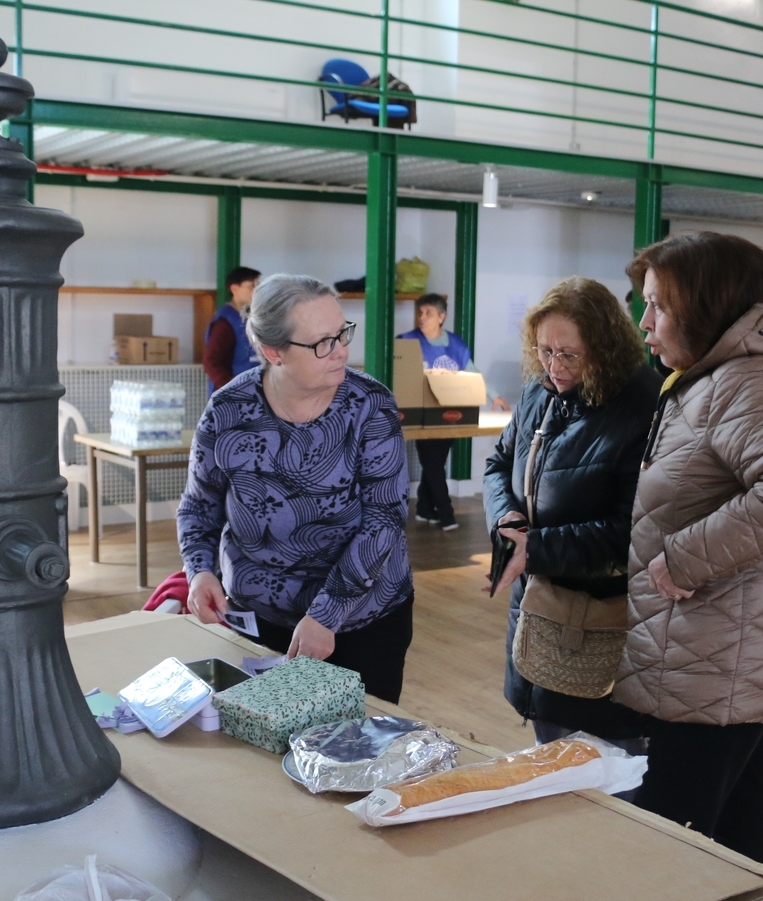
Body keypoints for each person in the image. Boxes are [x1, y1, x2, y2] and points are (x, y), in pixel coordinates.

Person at [617, 232, 763, 901]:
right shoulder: (713, 377)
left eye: (658, 306)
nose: (645, 322)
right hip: (723, 647)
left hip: (721, 652)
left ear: (704, 307)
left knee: (663, 838)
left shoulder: (750, 382)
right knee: (746, 830)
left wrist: (684, 558)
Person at [179, 274, 414, 703]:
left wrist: (326, 615)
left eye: (342, 333)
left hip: (360, 621)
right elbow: (199, 504)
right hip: (257, 618)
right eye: (322, 342)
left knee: (352, 739)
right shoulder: (228, 410)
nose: (341, 350)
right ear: (274, 353)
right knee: (259, 733)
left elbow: (384, 520)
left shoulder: (370, 406)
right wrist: (200, 571)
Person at [483, 277, 661, 744]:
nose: (554, 366)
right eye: (544, 351)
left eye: (569, 355)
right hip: (537, 611)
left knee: (608, 761)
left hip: (602, 624)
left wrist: (534, 549)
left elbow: (632, 532)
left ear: (605, 348)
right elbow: (499, 463)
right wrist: (507, 520)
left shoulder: (643, 405)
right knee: (550, 751)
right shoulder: (540, 391)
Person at [396, 293, 507, 531]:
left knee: (434, 462)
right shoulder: (407, 342)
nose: (422, 317)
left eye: (428, 313)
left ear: (441, 316)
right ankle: (446, 514)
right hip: (422, 414)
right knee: (434, 464)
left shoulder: (456, 344)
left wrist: (494, 395)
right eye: (420, 312)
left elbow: (472, 372)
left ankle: (424, 508)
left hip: (451, 413)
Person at [203, 265, 260, 393]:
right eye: (252, 286)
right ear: (234, 288)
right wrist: (232, 389)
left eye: (258, 285)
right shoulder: (224, 324)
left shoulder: (254, 318)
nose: (257, 290)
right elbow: (211, 362)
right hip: (234, 394)